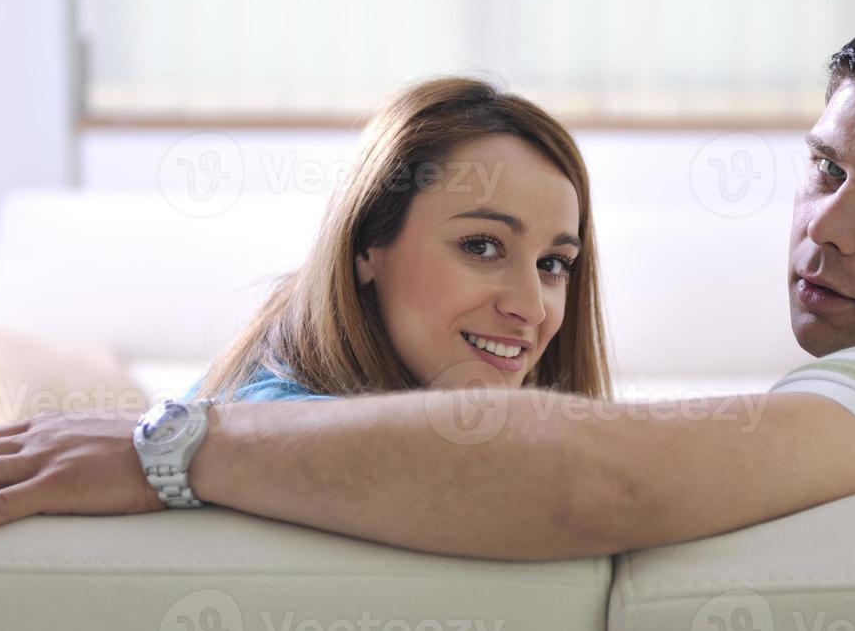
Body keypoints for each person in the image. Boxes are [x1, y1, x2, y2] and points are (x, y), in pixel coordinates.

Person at [0, 0, 855, 559]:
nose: (820, 229)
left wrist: (173, 447)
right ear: (366, 246)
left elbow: (605, 477)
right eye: (821, 168)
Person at [179, 75, 612, 406]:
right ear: (367, 243)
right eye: (481, 246)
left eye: (553, 264)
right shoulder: (276, 421)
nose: (532, 308)